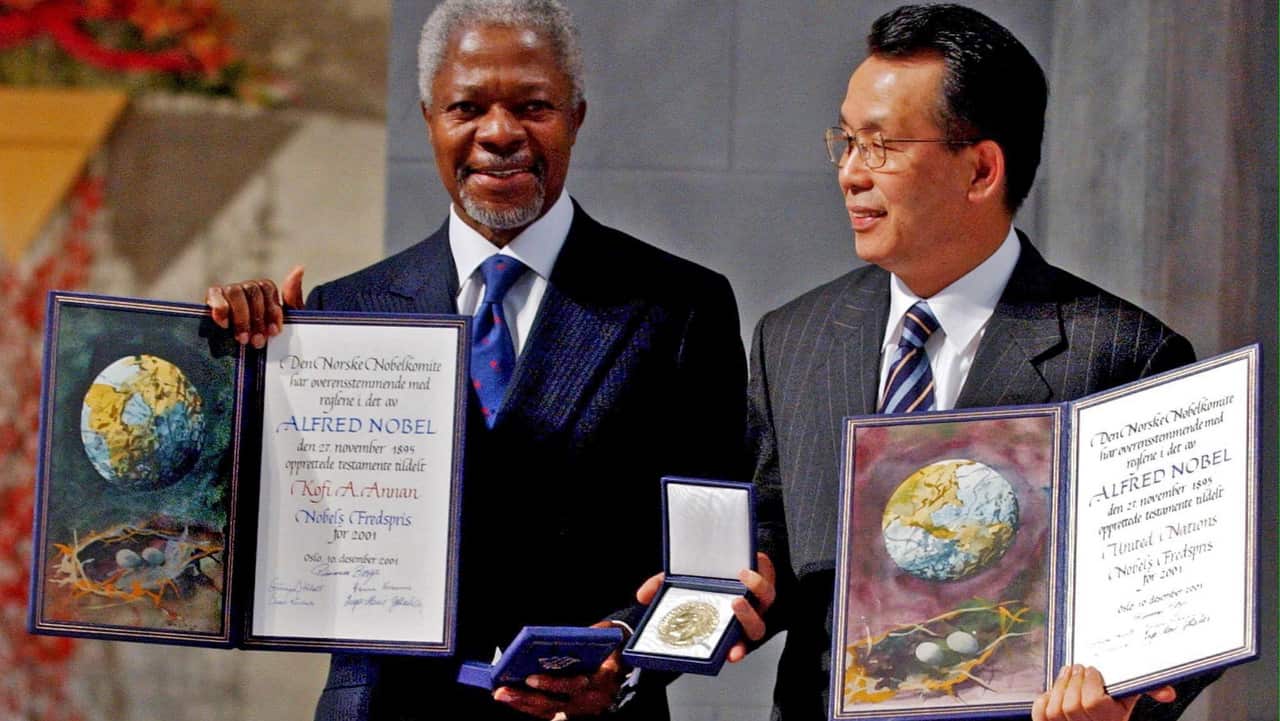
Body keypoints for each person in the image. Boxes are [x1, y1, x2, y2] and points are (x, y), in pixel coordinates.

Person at [207, 1, 746, 719]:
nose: (499, 134)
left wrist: (622, 658)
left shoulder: (679, 307)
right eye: (467, 107)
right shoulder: (343, 315)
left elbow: (711, 562)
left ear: (577, 117)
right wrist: (235, 369)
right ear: (428, 117)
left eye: (533, 106)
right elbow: (255, 531)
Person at [730, 4, 1216, 721]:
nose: (850, 173)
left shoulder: (1124, 355)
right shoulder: (793, 338)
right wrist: (744, 590)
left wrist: (1124, 706)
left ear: (982, 168)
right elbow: (773, 531)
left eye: (882, 145)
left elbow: (1174, 603)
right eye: (846, 140)